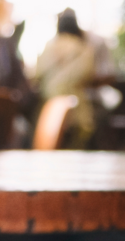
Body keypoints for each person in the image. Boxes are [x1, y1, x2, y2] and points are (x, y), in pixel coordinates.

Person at [32, 9, 103, 149]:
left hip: (48, 110)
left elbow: (37, 74)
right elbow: (88, 75)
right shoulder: (84, 49)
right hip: (77, 113)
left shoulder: (49, 47)